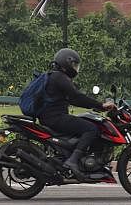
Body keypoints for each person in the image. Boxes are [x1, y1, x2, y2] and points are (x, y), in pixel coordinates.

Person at [35, 48, 114, 181]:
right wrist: (100, 105)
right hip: (55, 118)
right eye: (74, 65)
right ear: (67, 63)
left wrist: (95, 106)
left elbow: (73, 99)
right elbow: (77, 96)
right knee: (91, 128)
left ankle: (71, 158)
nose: (75, 68)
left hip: (51, 117)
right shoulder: (60, 77)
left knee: (82, 124)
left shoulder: (54, 76)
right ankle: (72, 161)